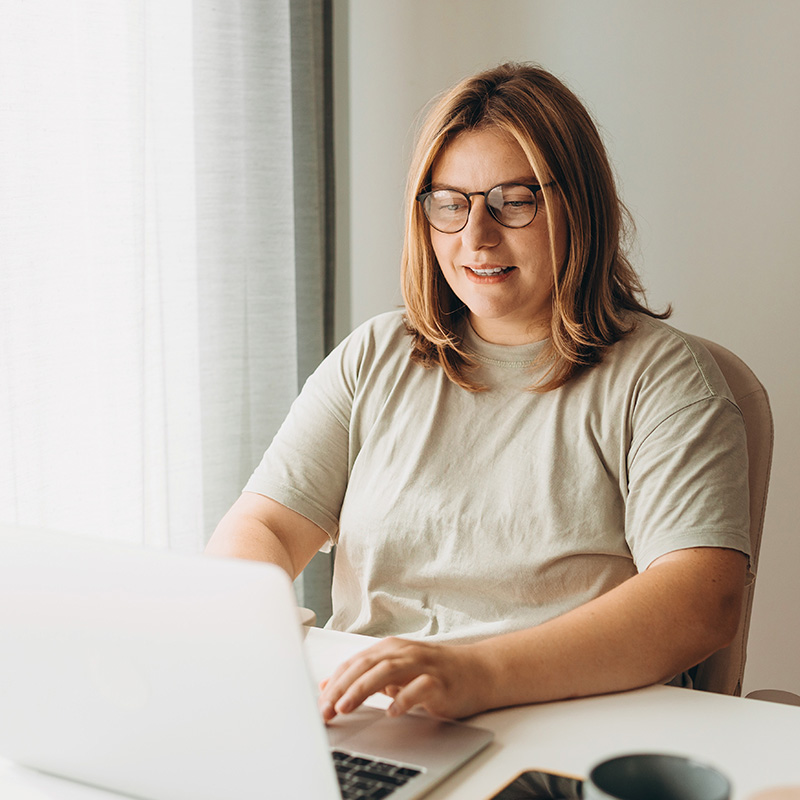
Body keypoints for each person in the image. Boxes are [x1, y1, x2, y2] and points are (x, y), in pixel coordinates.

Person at [205, 63, 751, 721]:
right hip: (376, 722)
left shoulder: (666, 379)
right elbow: (262, 525)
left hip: (571, 727)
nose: (476, 237)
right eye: (450, 203)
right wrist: (252, 624)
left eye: (513, 201)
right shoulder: (375, 356)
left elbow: (701, 602)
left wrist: (473, 675)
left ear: (578, 204)